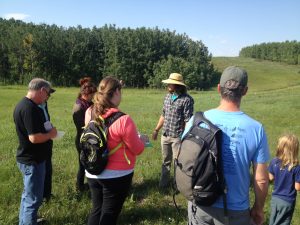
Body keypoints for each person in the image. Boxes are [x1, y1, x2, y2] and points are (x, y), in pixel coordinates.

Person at [186, 66, 270, 225]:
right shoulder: (256, 129)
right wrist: (258, 208)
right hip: (235, 211)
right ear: (245, 91)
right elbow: (261, 180)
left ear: (219, 88)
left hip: (199, 201)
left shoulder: (196, 120)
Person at [84, 76, 148, 225]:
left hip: (92, 170)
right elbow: (137, 149)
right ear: (117, 92)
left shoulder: (89, 112)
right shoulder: (123, 120)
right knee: (109, 214)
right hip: (116, 175)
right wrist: (143, 141)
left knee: (96, 209)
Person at [13, 78, 57, 225]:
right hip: (33, 160)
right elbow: (34, 138)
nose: (47, 98)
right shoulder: (29, 108)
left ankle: (25, 221)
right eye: (47, 94)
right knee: (33, 199)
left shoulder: (25, 105)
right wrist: (51, 135)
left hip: (29, 158)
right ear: (42, 90)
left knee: (28, 196)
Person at [152, 73, 194, 188]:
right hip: (165, 135)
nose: (168, 85)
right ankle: (163, 185)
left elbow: (187, 121)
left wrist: (184, 138)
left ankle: (177, 187)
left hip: (177, 137)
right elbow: (163, 115)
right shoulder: (167, 97)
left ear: (177, 85)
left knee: (177, 163)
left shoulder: (187, 100)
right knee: (165, 161)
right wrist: (156, 130)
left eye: (170, 83)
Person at [268, 134, 300, 225]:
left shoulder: (274, 161)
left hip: (275, 198)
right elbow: (297, 187)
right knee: (284, 222)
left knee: (273, 221)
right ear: (295, 150)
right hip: (287, 201)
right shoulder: (296, 167)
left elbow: (270, 177)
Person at [72, 77, 97, 192]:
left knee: (89, 162)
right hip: (83, 139)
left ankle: (85, 185)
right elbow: (82, 126)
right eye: (92, 94)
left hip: (89, 137)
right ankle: (80, 186)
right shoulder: (79, 107)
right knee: (83, 164)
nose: (93, 97)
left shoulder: (87, 103)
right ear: (86, 94)